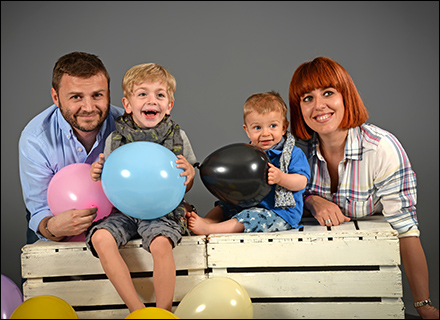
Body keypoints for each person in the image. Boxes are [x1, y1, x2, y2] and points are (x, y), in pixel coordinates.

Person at [288, 56, 439, 319]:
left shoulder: (381, 148)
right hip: (309, 282)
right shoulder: (296, 151)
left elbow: (406, 229)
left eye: (328, 93)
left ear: (346, 95)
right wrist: (313, 200)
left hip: (370, 276)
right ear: (298, 108)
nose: (319, 106)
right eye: (307, 98)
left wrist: (423, 306)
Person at [86, 63, 197, 313]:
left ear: (169, 105)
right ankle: (137, 311)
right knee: (101, 238)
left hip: (162, 210)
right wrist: (98, 173)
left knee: (161, 243)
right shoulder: (115, 139)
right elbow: (110, 181)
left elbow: (185, 184)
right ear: (127, 104)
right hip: (124, 211)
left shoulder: (178, 137)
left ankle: (163, 312)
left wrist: (189, 175)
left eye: (160, 94)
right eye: (143, 94)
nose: (152, 100)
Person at [18, 51, 124, 244]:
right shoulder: (35, 139)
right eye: (76, 97)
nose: (89, 107)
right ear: (56, 97)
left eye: (97, 95)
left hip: (116, 223)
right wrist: (52, 227)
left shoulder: (129, 127)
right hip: (56, 223)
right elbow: (39, 211)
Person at [187, 91, 310, 235]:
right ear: (247, 130)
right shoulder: (248, 154)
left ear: (284, 127)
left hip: (280, 213)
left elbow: (301, 182)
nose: (265, 133)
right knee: (224, 206)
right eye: (257, 128)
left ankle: (210, 229)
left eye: (273, 126)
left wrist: (281, 178)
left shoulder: (293, 154)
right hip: (250, 203)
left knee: (251, 217)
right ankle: (207, 221)